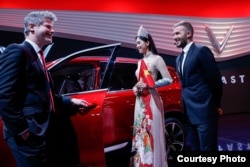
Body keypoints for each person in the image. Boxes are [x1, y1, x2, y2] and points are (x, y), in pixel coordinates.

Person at [0, 11, 86, 167]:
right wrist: (22, 130)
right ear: (32, 27)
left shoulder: (38, 56)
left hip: (39, 130)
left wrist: (70, 100)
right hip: (27, 132)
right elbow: (4, 95)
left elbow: (45, 95)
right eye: (48, 26)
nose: (52, 30)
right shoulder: (17, 50)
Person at [172, 21, 223, 151]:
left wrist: (215, 105)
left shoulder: (201, 51)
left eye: (178, 33)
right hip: (188, 113)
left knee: (208, 149)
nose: (174, 37)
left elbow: (215, 80)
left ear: (188, 33)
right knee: (195, 149)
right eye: (173, 34)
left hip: (205, 111)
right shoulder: (178, 59)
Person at [131, 25, 173, 167]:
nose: (137, 46)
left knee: (151, 133)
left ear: (147, 42)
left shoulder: (157, 59)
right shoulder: (139, 62)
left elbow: (168, 79)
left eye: (139, 43)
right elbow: (139, 82)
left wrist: (151, 85)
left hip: (152, 101)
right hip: (140, 102)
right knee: (141, 133)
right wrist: (135, 88)